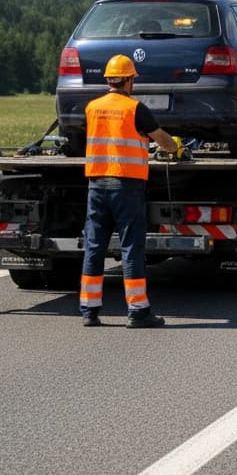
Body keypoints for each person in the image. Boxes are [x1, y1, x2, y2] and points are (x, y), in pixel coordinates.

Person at [79, 53, 182, 328]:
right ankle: (137, 311)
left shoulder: (92, 107)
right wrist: (175, 147)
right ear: (129, 80)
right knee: (130, 248)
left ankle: (89, 310)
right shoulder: (135, 108)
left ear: (108, 80)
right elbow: (163, 141)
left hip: (97, 185)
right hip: (126, 186)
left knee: (94, 246)